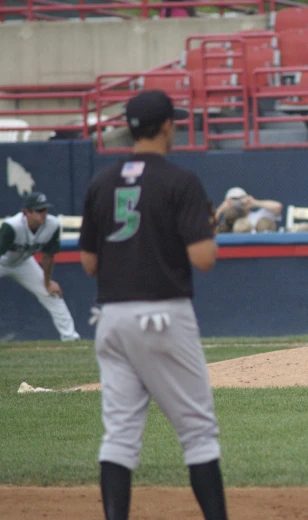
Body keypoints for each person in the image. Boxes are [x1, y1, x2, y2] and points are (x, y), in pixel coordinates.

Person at [78, 90, 228, 520]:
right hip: (163, 314)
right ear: (166, 126)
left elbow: (88, 263)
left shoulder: (101, 182)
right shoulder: (180, 181)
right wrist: (206, 228)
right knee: (198, 434)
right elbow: (203, 258)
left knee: (120, 436)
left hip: (111, 318)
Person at [0, 192, 80, 341]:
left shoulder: (53, 224)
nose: (43, 214)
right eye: (38, 210)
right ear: (27, 212)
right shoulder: (12, 226)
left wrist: (47, 282)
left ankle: (70, 338)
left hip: (23, 262)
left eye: (45, 210)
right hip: (2, 262)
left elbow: (48, 256)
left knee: (51, 293)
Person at [215, 186, 282, 233]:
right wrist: (220, 210)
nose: (238, 204)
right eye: (234, 201)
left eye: (240, 199)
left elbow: (278, 207)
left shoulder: (258, 216)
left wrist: (255, 203)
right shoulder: (225, 224)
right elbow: (207, 231)